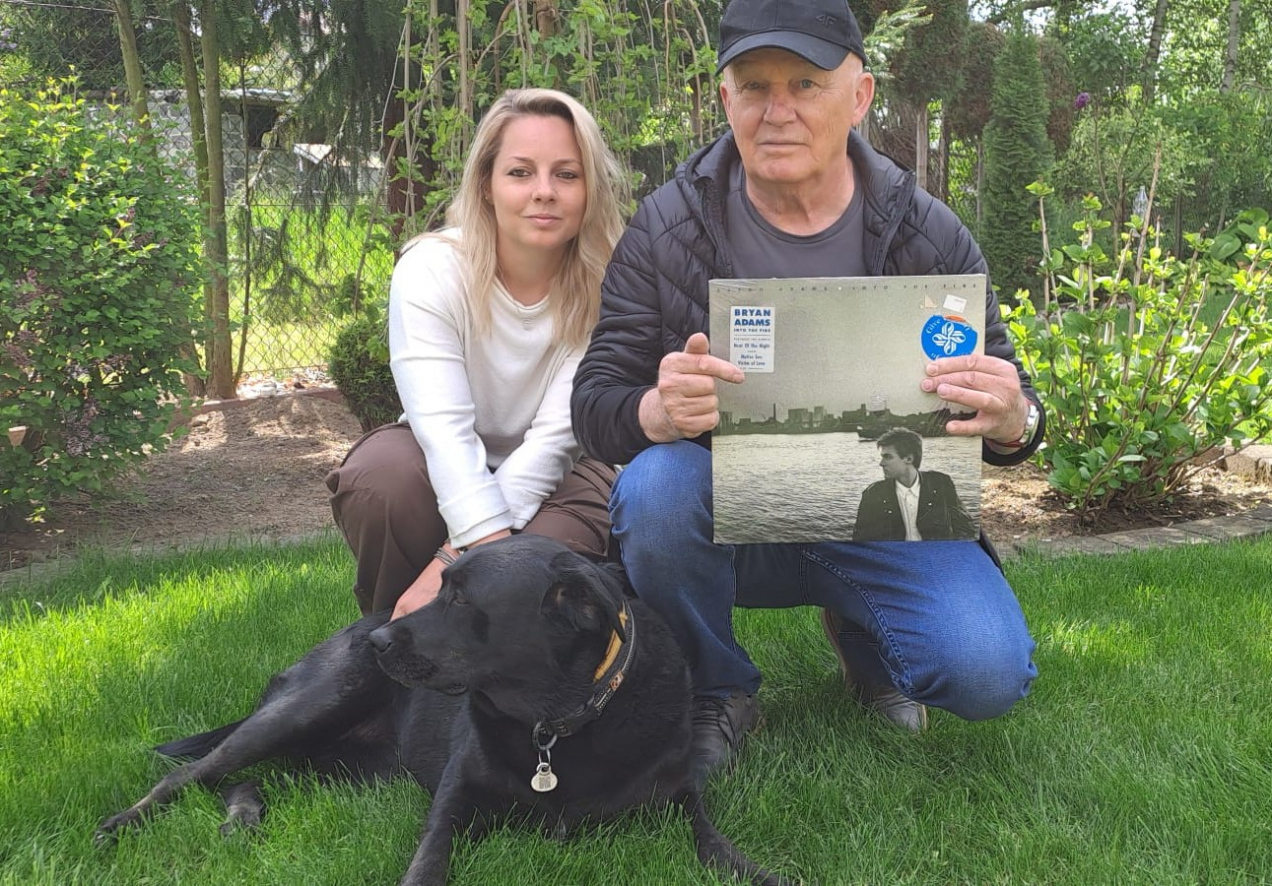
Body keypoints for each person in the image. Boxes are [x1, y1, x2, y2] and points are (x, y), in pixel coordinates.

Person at [570, 0, 1046, 786]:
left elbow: (1011, 409)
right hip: (727, 512)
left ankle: (865, 637)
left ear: (859, 96)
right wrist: (656, 409)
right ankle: (716, 689)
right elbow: (596, 405)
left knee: (987, 673)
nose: (777, 110)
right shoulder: (665, 227)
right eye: (755, 86)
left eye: (805, 84)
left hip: (885, 517)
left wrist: (1012, 416)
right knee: (655, 490)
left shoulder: (927, 233)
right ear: (726, 99)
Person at [327, 88, 628, 619]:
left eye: (567, 174)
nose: (544, 192)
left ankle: (516, 664)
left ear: (591, 190)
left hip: (571, 471)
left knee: (535, 567)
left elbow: (554, 443)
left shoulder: (612, 283)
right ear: (486, 184)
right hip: (449, 456)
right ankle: (392, 640)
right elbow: (443, 431)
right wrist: (478, 540)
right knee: (382, 477)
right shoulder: (431, 270)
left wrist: (449, 560)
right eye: (520, 172)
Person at [853, 427, 976, 542]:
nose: (881, 463)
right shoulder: (873, 494)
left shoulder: (941, 484)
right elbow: (861, 539)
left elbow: (965, 527)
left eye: (888, 457)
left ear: (909, 459)